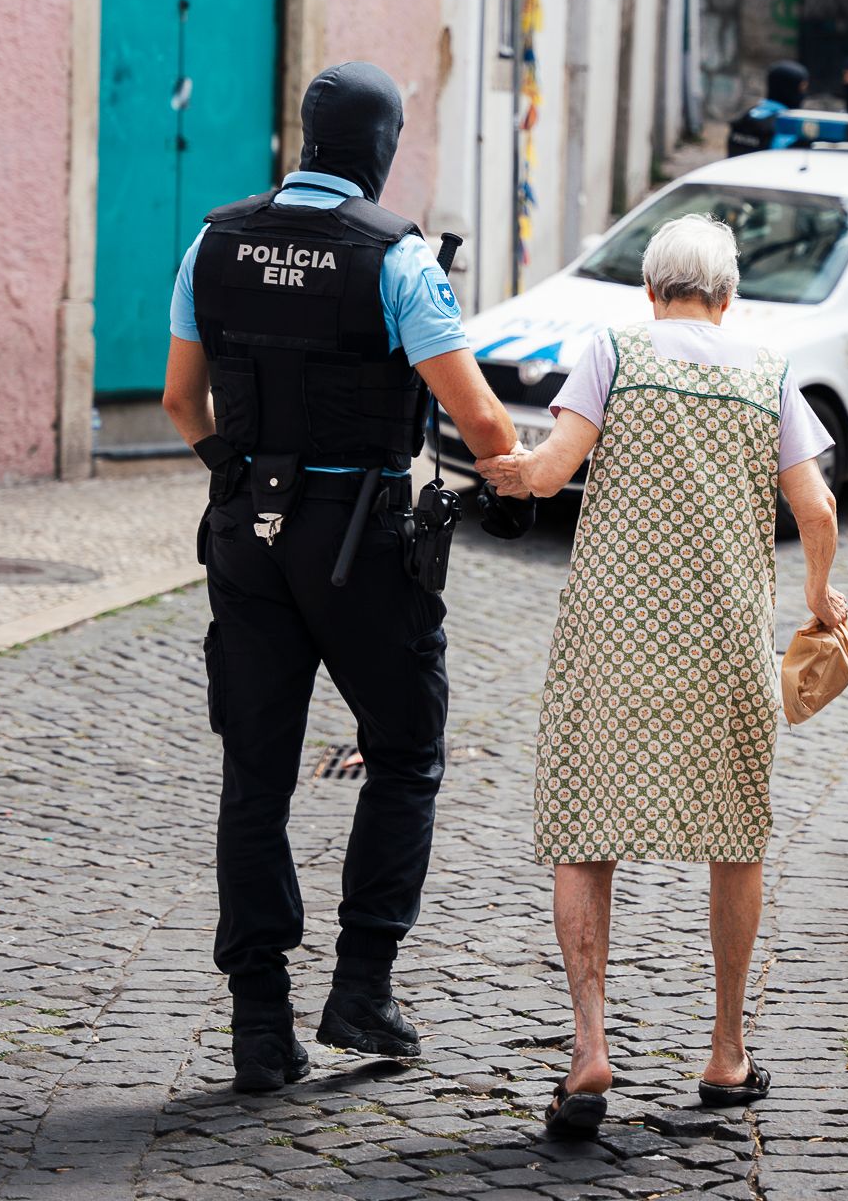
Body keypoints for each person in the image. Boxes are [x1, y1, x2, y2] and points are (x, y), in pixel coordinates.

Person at [163, 61, 520, 1095]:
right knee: (403, 753)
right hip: (358, 538)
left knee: (255, 774)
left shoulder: (213, 240)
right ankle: (362, 989)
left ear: (308, 133)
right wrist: (515, 477)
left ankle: (259, 1024)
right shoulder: (396, 256)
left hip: (245, 530)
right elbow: (482, 419)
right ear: (382, 146)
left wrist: (235, 473)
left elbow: (183, 400)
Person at [477, 213, 848, 1137]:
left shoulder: (612, 351)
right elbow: (816, 508)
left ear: (650, 291)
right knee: (735, 835)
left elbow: (551, 472)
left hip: (611, 636)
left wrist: (505, 470)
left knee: (584, 827)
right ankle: (726, 1054)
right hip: (723, 641)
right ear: (728, 296)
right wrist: (817, 595)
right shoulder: (769, 372)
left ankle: (588, 1050)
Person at [726, 59, 811, 157]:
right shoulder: (786, 126)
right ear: (790, 88)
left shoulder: (744, 117)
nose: (804, 94)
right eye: (802, 88)